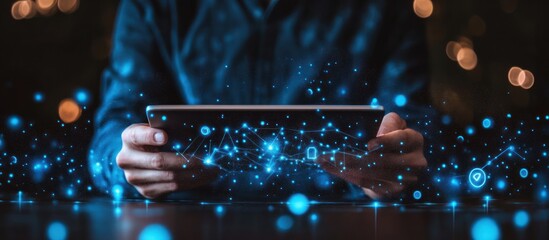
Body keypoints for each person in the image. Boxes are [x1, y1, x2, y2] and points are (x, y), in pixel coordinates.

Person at [89, 0, 431, 200]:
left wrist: (406, 155)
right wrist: (125, 165)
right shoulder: (153, 5)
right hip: (187, 221)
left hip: (344, 223)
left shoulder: (386, 9)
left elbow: (417, 127)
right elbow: (113, 127)